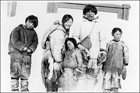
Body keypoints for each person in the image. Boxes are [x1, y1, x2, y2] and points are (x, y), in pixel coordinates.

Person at [71, 4, 106, 86]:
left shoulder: (99, 25)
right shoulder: (79, 24)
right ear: (85, 13)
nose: (90, 14)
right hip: (81, 54)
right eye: (88, 12)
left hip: (94, 55)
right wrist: (80, 46)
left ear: (95, 13)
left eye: (92, 12)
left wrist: (102, 51)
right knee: (80, 76)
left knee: (92, 77)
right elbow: (75, 37)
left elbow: (103, 39)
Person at [41, 14, 73, 92]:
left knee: (51, 79)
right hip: (54, 59)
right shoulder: (59, 32)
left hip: (51, 57)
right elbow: (56, 47)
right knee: (52, 79)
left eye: (71, 22)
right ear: (63, 21)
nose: (69, 23)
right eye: (67, 21)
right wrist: (59, 60)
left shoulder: (60, 30)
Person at [8, 15, 39, 92]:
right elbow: (14, 40)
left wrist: (31, 49)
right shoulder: (17, 29)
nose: (30, 24)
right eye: (29, 22)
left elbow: (35, 42)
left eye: (33, 24)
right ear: (26, 21)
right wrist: (23, 47)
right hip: (16, 55)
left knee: (25, 74)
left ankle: (24, 89)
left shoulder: (34, 33)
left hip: (27, 56)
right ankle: (14, 89)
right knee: (15, 72)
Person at [102, 27, 129, 92]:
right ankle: (106, 90)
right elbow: (105, 53)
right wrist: (103, 62)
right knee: (107, 78)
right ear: (112, 34)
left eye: (120, 34)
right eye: (116, 34)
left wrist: (125, 64)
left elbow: (126, 55)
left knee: (115, 79)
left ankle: (114, 90)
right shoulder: (109, 43)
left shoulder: (123, 45)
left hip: (118, 66)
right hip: (108, 65)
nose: (118, 36)